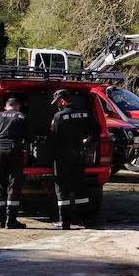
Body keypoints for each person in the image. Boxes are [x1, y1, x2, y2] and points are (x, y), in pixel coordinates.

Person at [0, 96, 28, 229]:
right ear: (18, 106)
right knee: (13, 184)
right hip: (15, 152)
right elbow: (30, 136)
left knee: (0, 184)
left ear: (6, 106)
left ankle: (1, 220)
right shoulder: (22, 117)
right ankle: (11, 220)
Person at [49, 89, 92, 230]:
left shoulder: (59, 116)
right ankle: (85, 221)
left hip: (62, 157)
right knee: (80, 187)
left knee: (62, 188)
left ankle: (64, 222)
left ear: (62, 100)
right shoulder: (85, 113)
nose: (57, 106)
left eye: (57, 103)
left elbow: (52, 138)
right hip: (79, 155)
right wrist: (85, 142)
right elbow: (95, 131)